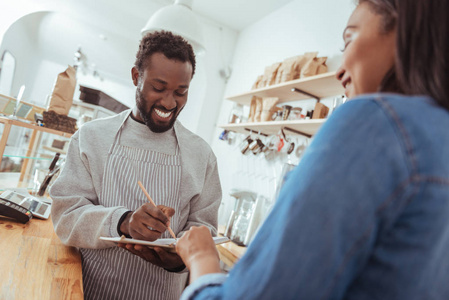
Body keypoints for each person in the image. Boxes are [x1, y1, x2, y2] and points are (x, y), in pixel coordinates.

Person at [176, 0, 449, 299]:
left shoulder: (373, 120)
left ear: (405, 30)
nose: (339, 70)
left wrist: (202, 259)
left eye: (350, 39)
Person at [50, 31, 222, 300]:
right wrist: (123, 221)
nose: (169, 102)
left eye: (181, 91)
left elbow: (205, 230)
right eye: (158, 87)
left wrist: (177, 260)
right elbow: (65, 215)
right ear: (135, 77)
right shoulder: (91, 137)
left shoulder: (202, 156)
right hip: (91, 290)